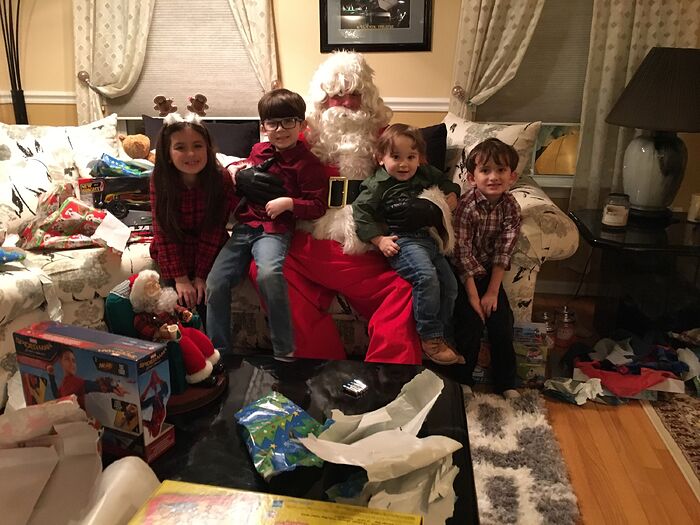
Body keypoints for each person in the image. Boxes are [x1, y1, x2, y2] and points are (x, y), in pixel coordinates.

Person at [253, 51, 449, 364]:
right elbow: (260, 157)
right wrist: (237, 172)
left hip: (363, 239)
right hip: (310, 236)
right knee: (265, 270)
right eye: (336, 95)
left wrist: (430, 205)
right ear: (322, 100)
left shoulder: (387, 138)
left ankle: (388, 374)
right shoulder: (302, 136)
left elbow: (426, 176)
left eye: (354, 95)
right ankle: (319, 366)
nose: (344, 103)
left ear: (367, 98)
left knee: (404, 288)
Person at [207, 88, 327, 358]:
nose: (280, 129)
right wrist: (236, 171)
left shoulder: (308, 164)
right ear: (263, 127)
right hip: (244, 227)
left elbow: (318, 205)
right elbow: (243, 167)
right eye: (272, 123)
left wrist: (289, 203)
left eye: (288, 121)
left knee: (269, 275)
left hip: (274, 231)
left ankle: (285, 351)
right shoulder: (259, 150)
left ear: (302, 125)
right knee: (216, 282)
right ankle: (218, 352)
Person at [353, 124, 463, 365]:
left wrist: (452, 194)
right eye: (396, 157)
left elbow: (445, 182)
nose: (404, 164)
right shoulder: (377, 184)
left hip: (430, 238)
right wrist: (379, 239)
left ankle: (443, 335)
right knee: (426, 277)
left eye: (410, 157)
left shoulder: (425, 173)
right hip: (402, 240)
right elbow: (361, 211)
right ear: (380, 158)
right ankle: (429, 337)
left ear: (420, 158)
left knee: (451, 285)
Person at [450, 138, 522, 399]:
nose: (493, 177)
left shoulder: (511, 206)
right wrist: (473, 298)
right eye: (485, 170)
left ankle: (506, 382)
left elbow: (504, 250)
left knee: (502, 323)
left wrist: (492, 292)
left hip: (490, 274)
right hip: (463, 275)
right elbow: (462, 253)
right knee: (470, 323)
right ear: (472, 177)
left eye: (501, 170)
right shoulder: (466, 207)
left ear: (512, 176)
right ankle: (462, 380)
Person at [149, 113, 234, 320]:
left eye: (197, 146)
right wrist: (181, 278)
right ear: (168, 153)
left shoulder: (221, 178)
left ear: (208, 148)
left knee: (208, 296)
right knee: (177, 303)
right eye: (180, 147)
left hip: (209, 248)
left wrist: (201, 275)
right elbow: (163, 230)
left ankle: (212, 340)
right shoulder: (160, 179)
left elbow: (214, 229)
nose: (191, 154)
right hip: (175, 246)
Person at [130, 269, 221, 386]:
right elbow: (146, 331)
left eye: (156, 283)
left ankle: (211, 361)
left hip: (181, 330)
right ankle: (199, 374)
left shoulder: (164, 301)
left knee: (197, 336)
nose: (157, 286)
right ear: (142, 294)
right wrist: (159, 333)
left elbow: (177, 308)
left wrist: (184, 313)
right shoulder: (141, 317)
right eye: (151, 286)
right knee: (187, 346)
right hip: (168, 341)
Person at [47, 348, 127, 410]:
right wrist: (51, 375)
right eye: (67, 359)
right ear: (61, 362)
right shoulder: (64, 383)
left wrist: (113, 388)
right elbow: (57, 395)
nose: (72, 363)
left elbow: (94, 386)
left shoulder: (76, 381)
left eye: (73, 361)